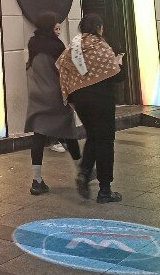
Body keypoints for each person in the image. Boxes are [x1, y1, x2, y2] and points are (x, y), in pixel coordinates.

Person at [56, 13, 124, 204]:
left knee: (94, 135)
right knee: (105, 141)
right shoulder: (100, 46)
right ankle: (105, 190)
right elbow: (116, 75)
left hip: (81, 102)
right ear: (98, 28)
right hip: (102, 101)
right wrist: (118, 63)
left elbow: (62, 69)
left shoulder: (73, 48)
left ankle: (84, 172)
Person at [24, 11, 81, 195]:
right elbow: (65, 72)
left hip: (37, 95)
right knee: (69, 132)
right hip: (55, 95)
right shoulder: (56, 45)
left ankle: (37, 180)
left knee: (39, 136)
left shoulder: (33, 43)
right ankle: (82, 171)